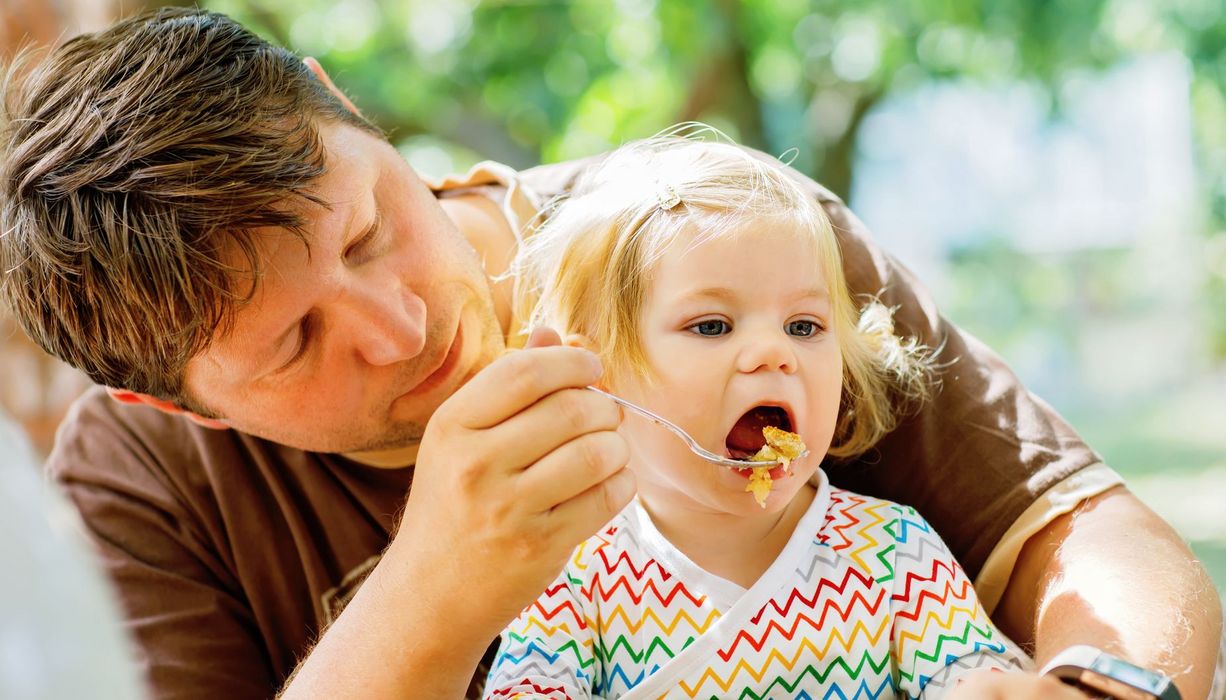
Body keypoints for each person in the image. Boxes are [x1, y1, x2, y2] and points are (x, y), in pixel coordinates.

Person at [0, 8, 1218, 699]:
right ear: (181, 403)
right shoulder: (138, 489)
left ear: (340, 102)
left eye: (371, 230)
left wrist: (1093, 691)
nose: (400, 326)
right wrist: (429, 594)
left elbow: (1083, 535)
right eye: (293, 341)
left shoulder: (713, 242)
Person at [484, 132, 1034, 698]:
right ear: (599, 374)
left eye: (804, 326)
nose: (776, 352)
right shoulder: (574, 571)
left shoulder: (894, 553)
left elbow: (974, 680)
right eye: (712, 326)